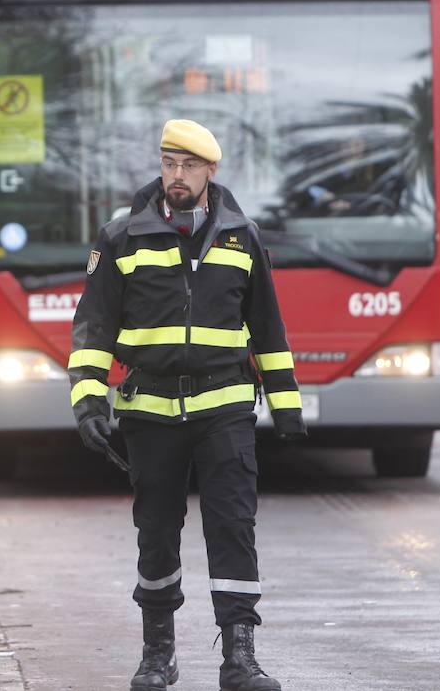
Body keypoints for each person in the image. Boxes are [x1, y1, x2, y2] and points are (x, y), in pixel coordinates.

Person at [69, 119, 306, 691]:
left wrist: (287, 406)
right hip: (148, 411)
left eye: (189, 167)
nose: (177, 176)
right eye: (169, 164)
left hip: (224, 409)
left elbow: (267, 329)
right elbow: (93, 327)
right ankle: (158, 653)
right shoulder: (121, 236)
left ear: (210, 172)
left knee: (233, 528)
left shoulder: (242, 236)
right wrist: (88, 402)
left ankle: (240, 658)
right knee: (155, 531)